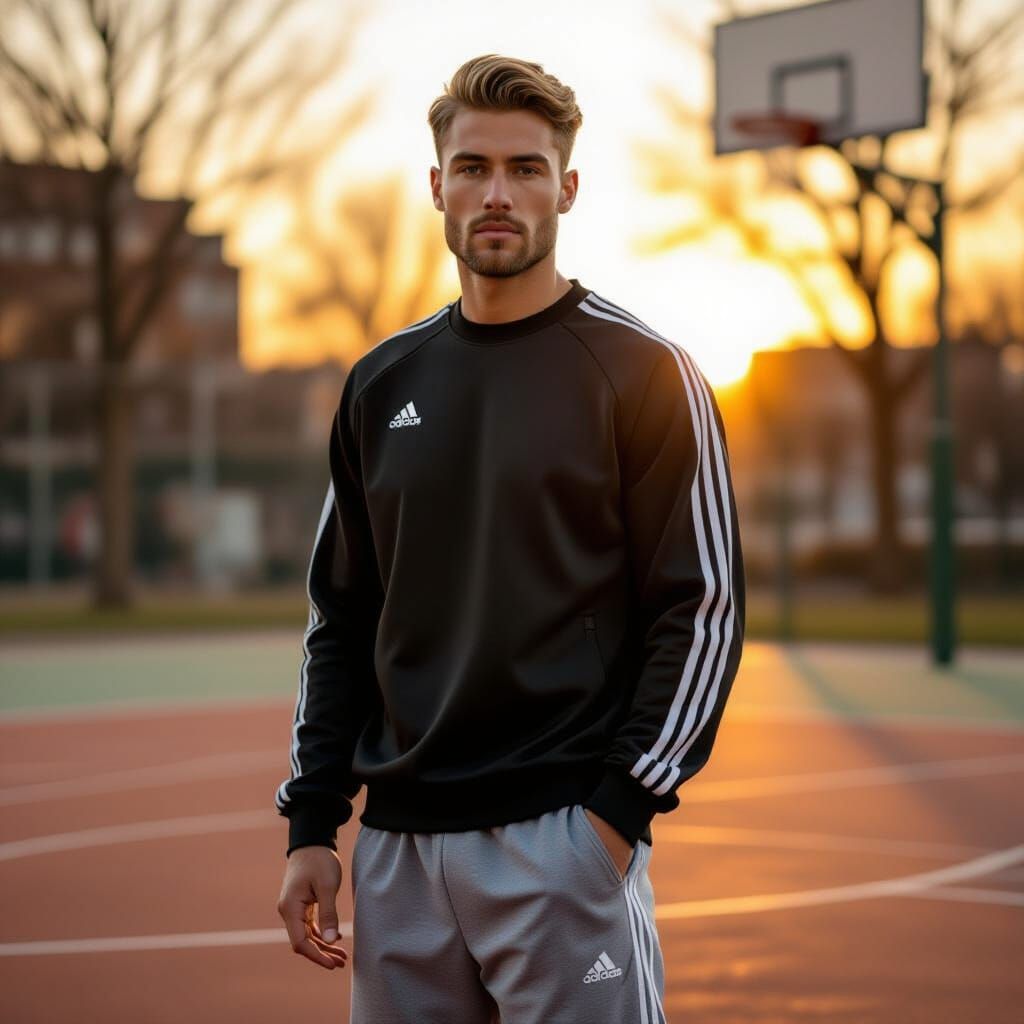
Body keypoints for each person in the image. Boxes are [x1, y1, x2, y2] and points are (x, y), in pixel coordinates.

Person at [275, 53, 745, 1024]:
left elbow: (699, 611)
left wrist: (615, 819)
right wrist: (311, 823)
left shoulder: (645, 370)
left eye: (526, 169)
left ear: (567, 188)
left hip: (560, 842)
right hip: (399, 858)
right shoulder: (379, 384)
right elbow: (343, 616)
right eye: (473, 166)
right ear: (435, 184)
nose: (498, 193)